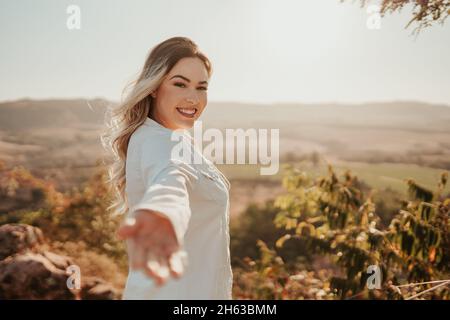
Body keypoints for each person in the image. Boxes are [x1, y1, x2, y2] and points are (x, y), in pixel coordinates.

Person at [102, 36, 233, 299]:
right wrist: (163, 216)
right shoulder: (157, 142)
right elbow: (170, 179)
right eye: (180, 84)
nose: (192, 98)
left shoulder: (175, 137)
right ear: (154, 86)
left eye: (201, 87)